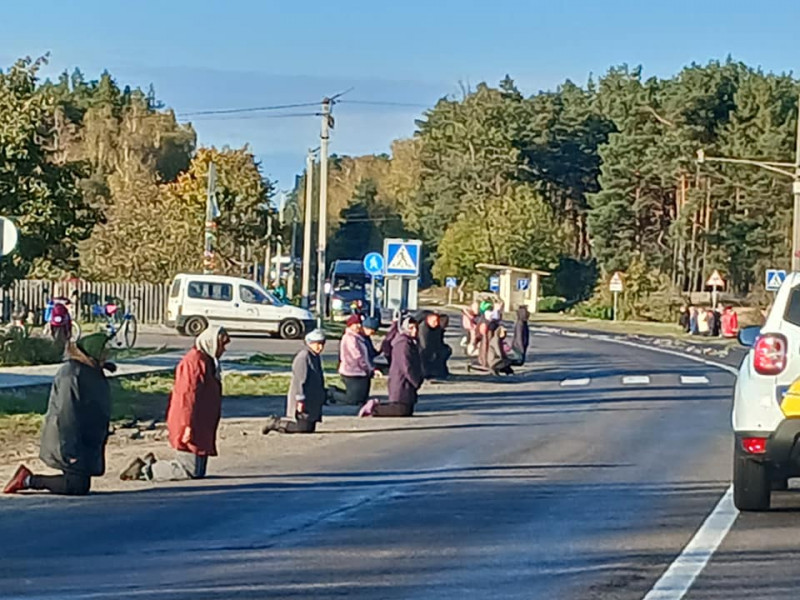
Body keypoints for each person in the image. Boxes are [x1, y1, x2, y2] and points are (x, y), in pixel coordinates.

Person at [4, 333, 114, 495]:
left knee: (80, 484)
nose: (107, 356)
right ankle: (27, 480)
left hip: (82, 440)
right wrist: (70, 450)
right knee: (76, 486)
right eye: (104, 352)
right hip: (67, 439)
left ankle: (28, 479)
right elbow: (66, 413)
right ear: (93, 352)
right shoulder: (71, 374)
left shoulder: (90, 371)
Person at [120, 326, 230, 482]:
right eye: (222, 345)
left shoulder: (207, 361)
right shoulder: (195, 362)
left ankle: (148, 466)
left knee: (197, 471)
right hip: (189, 422)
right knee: (188, 471)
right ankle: (145, 470)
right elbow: (187, 397)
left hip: (199, 423)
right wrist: (187, 426)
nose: (224, 350)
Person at [263, 329, 327, 434]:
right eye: (317, 344)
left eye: (322, 344)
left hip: (312, 400)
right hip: (302, 398)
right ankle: (275, 423)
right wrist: (300, 400)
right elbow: (299, 380)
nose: (320, 347)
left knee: (308, 428)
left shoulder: (315, 357)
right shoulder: (303, 357)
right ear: (309, 343)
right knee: (302, 428)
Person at [359, 316, 424, 417]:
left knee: (406, 409)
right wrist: (415, 380)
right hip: (401, 381)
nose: (414, 331)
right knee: (401, 410)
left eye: (416, 328)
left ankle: (376, 406)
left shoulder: (411, 342)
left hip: (406, 383)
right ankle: (373, 408)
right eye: (411, 328)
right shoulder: (403, 344)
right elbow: (406, 366)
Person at [338, 314, 376, 406]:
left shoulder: (359, 337)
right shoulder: (350, 338)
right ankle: (332, 393)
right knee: (352, 400)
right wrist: (368, 367)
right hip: (351, 371)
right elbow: (357, 356)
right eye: (356, 324)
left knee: (362, 398)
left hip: (361, 372)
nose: (358, 326)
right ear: (350, 325)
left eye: (359, 323)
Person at [418, 311, 449, 380]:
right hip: (423, 350)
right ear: (428, 320)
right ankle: (428, 372)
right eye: (434, 321)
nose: (436, 323)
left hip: (433, 348)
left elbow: (439, 341)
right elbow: (424, 345)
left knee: (445, 351)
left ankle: (440, 372)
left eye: (437, 321)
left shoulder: (436, 328)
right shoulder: (423, 328)